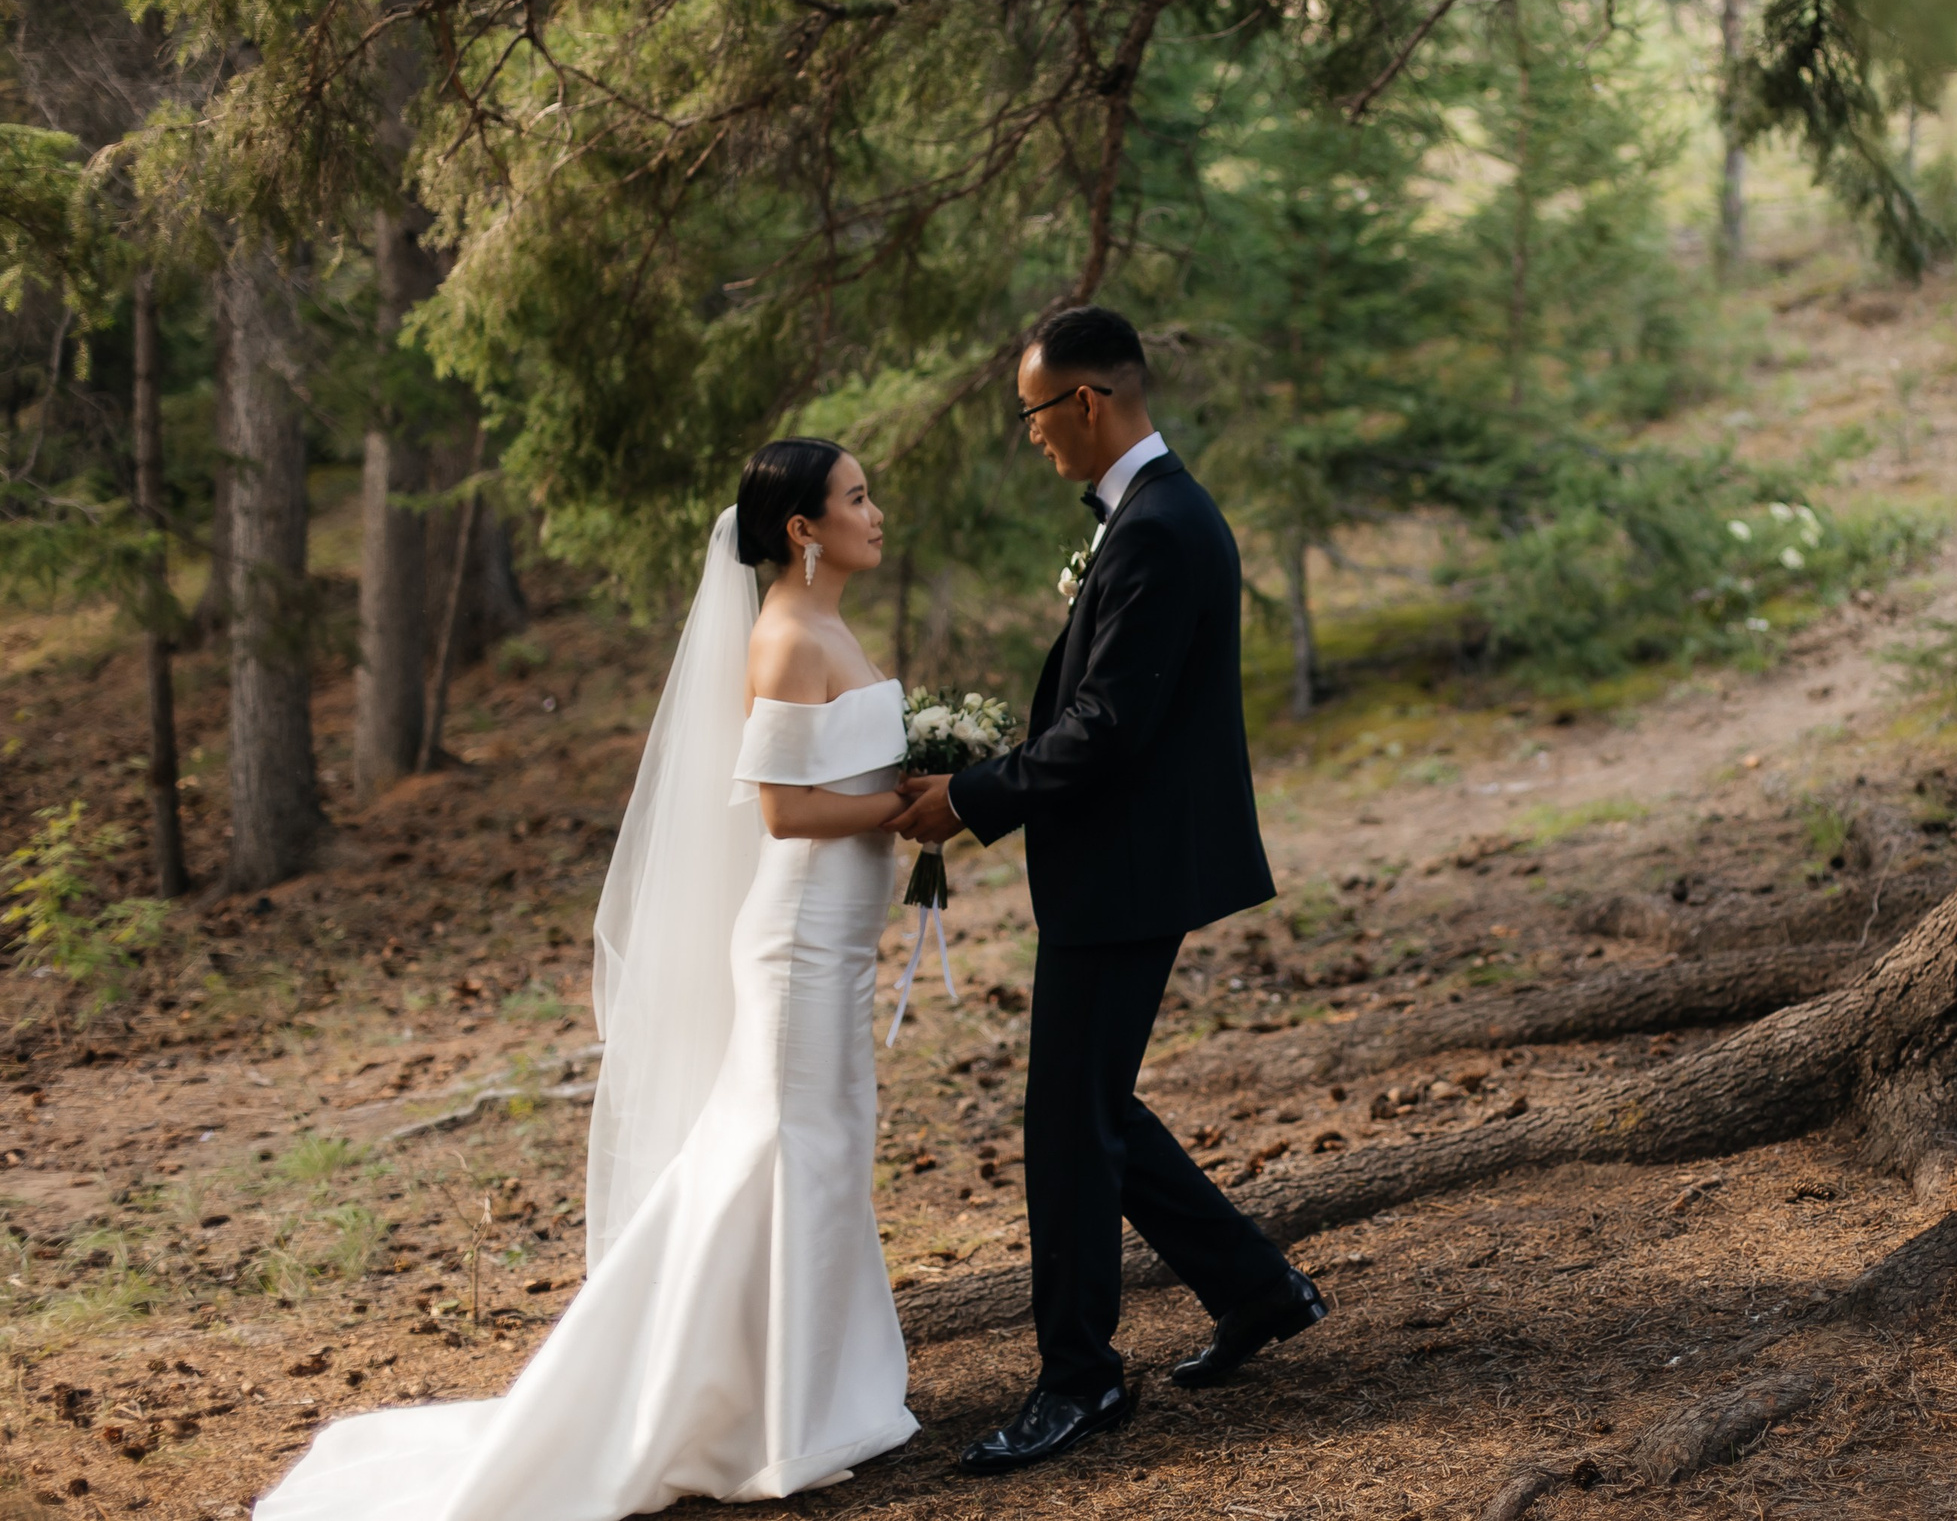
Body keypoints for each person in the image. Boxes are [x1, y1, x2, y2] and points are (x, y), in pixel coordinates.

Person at [254, 440, 917, 1521]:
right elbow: (784, 810)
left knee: (826, 1144)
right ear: (803, 528)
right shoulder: (790, 636)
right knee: (785, 1146)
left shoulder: (834, 626)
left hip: (838, 938)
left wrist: (919, 786)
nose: (875, 511)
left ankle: (806, 1389)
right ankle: (741, 1407)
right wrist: (912, 807)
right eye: (856, 497)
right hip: (798, 942)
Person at [888, 305, 1327, 1475]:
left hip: (1128, 868)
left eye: (1035, 412)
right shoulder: (1150, 514)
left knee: (1068, 1126)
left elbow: (1108, 726)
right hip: (1128, 860)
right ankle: (1254, 1286)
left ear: (1086, 401)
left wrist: (971, 795)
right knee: (1093, 1107)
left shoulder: (1161, 527)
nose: (1030, 432)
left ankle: (1078, 1379)